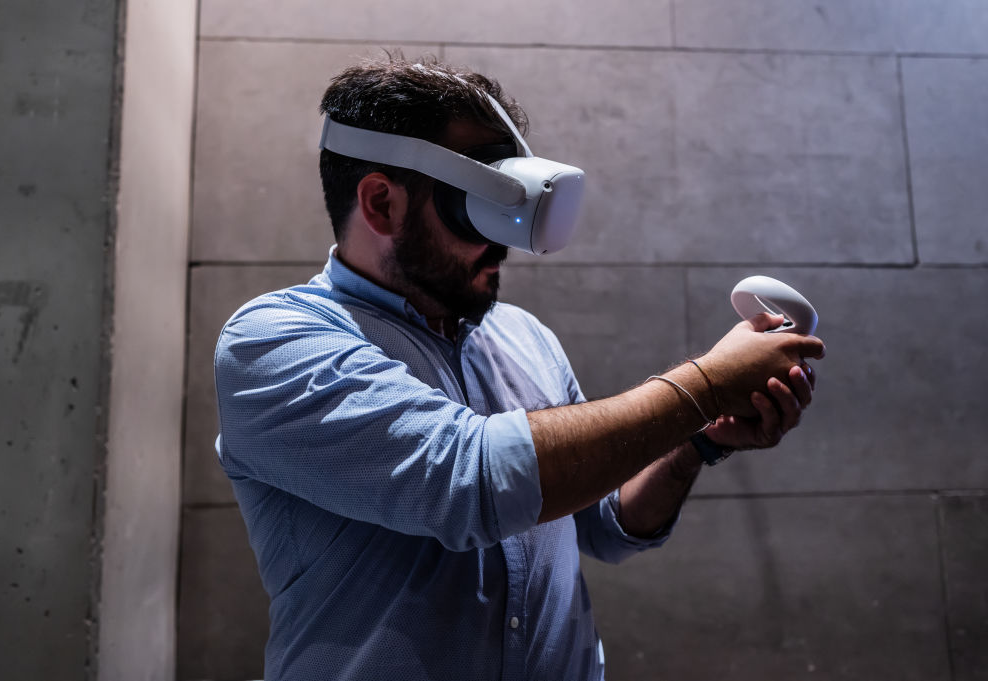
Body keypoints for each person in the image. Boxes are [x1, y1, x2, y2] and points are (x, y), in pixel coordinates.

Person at [213, 56, 825, 681]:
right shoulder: (277, 343)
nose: (502, 242)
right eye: (471, 207)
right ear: (381, 203)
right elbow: (470, 482)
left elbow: (609, 524)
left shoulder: (524, 337)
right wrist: (706, 383)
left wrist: (696, 440)